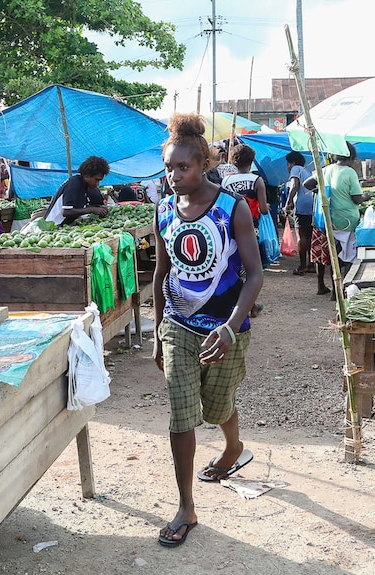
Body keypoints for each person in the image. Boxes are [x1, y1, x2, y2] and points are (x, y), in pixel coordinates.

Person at [152, 113, 263, 548]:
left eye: (183, 167)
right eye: (168, 167)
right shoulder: (163, 210)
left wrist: (231, 327)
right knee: (181, 414)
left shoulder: (231, 208)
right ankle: (186, 506)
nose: (174, 175)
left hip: (226, 330)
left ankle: (232, 447)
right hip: (178, 325)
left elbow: (254, 275)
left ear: (203, 165)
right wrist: (157, 332)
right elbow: (163, 272)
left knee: (217, 409)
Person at [222, 144, 268, 317]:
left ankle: (238, 304)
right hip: (250, 230)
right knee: (251, 268)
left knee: (233, 267)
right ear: (251, 161)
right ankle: (251, 305)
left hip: (228, 229)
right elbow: (263, 209)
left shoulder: (226, 181)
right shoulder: (257, 181)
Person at [315, 144, 369, 285]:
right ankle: (344, 288)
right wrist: (366, 197)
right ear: (351, 157)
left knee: (335, 256)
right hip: (347, 221)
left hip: (329, 219)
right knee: (349, 257)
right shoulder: (349, 172)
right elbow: (357, 198)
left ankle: (335, 289)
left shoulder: (326, 170)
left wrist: (323, 193)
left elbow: (307, 183)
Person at [45, 156, 110, 226]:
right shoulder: (74, 183)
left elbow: (79, 208)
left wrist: (97, 208)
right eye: (96, 180)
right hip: (52, 225)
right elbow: (66, 212)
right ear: (87, 175)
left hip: (65, 225)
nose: (97, 184)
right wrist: (92, 209)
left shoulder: (84, 186)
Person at [284, 151, 313, 276]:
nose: (288, 167)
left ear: (293, 163)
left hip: (302, 204)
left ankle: (302, 266)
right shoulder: (306, 170)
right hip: (312, 204)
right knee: (310, 235)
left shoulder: (295, 169)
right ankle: (311, 264)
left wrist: (288, 202)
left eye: (288, 164)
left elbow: (295, 185)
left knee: (301, 234)